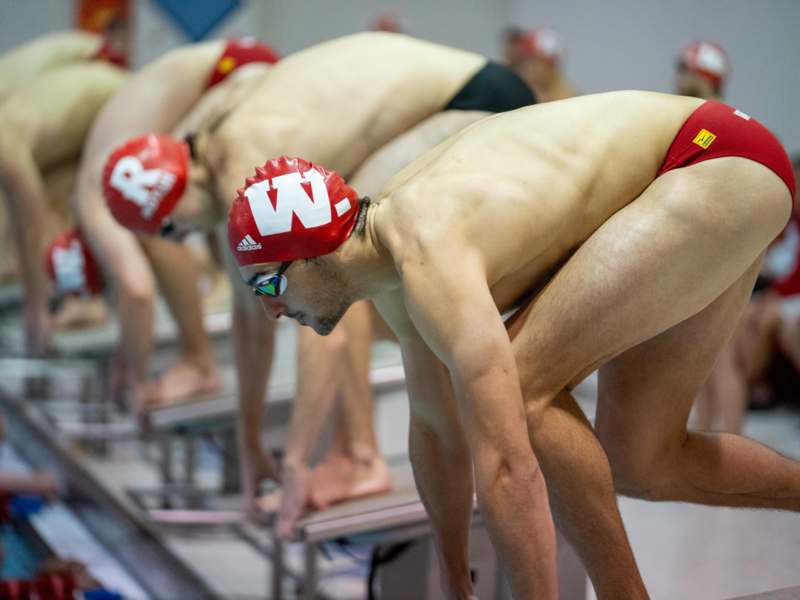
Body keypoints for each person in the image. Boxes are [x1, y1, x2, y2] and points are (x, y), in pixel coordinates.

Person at [227, 91, 797, 599]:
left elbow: (507, 466)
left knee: (520, 391)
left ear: (314, 252)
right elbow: (436, 429)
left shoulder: (427, 248)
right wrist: (454, 580)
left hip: (709, 157)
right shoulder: (391, 269)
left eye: (270, 284)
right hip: (714, 169)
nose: (271, 309)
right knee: (642, 461)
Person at [101, 32, 536, 532]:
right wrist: (249, 443)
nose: (182, 239)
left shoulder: (242, 167)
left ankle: (358, 456)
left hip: (476, 97)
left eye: (173, 228)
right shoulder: (208, 144)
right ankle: (354, 450)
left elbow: (320, 323)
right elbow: (251, 323)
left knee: (343, 268)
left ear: (178, 191)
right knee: (328, 266)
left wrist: (294, 461)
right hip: (455, 83)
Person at [73, 38, 279, 410]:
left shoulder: (94, 203)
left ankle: (200, 361)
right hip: (225, 63)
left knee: (160, 223)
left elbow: (136, 292)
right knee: (179, 207)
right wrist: (129, 348)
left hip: (229, 71)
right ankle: (205, 333)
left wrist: (137, 384)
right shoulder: (101, 179)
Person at [0, 61, 128, 355]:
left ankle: (89, 301)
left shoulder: (4, 147)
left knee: (88, 205)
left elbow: (29, 229)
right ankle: (83, 299)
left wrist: (36, 308)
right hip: (75, 116)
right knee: (54, 205)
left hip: (113, 101)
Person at [695, 154, 800, 432]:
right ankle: (710, 429)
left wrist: (772, 298)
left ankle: (726, 431)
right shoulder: (782, 218)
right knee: (718, 342)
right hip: (760, 295)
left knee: (723, 344)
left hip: (774, 299)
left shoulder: (780, 216)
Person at [512, 28, 576, 101]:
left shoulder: (566, 99)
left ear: (549, 65)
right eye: (525, 63)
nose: (527, 70)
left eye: (533, 63)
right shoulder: (532, 93)